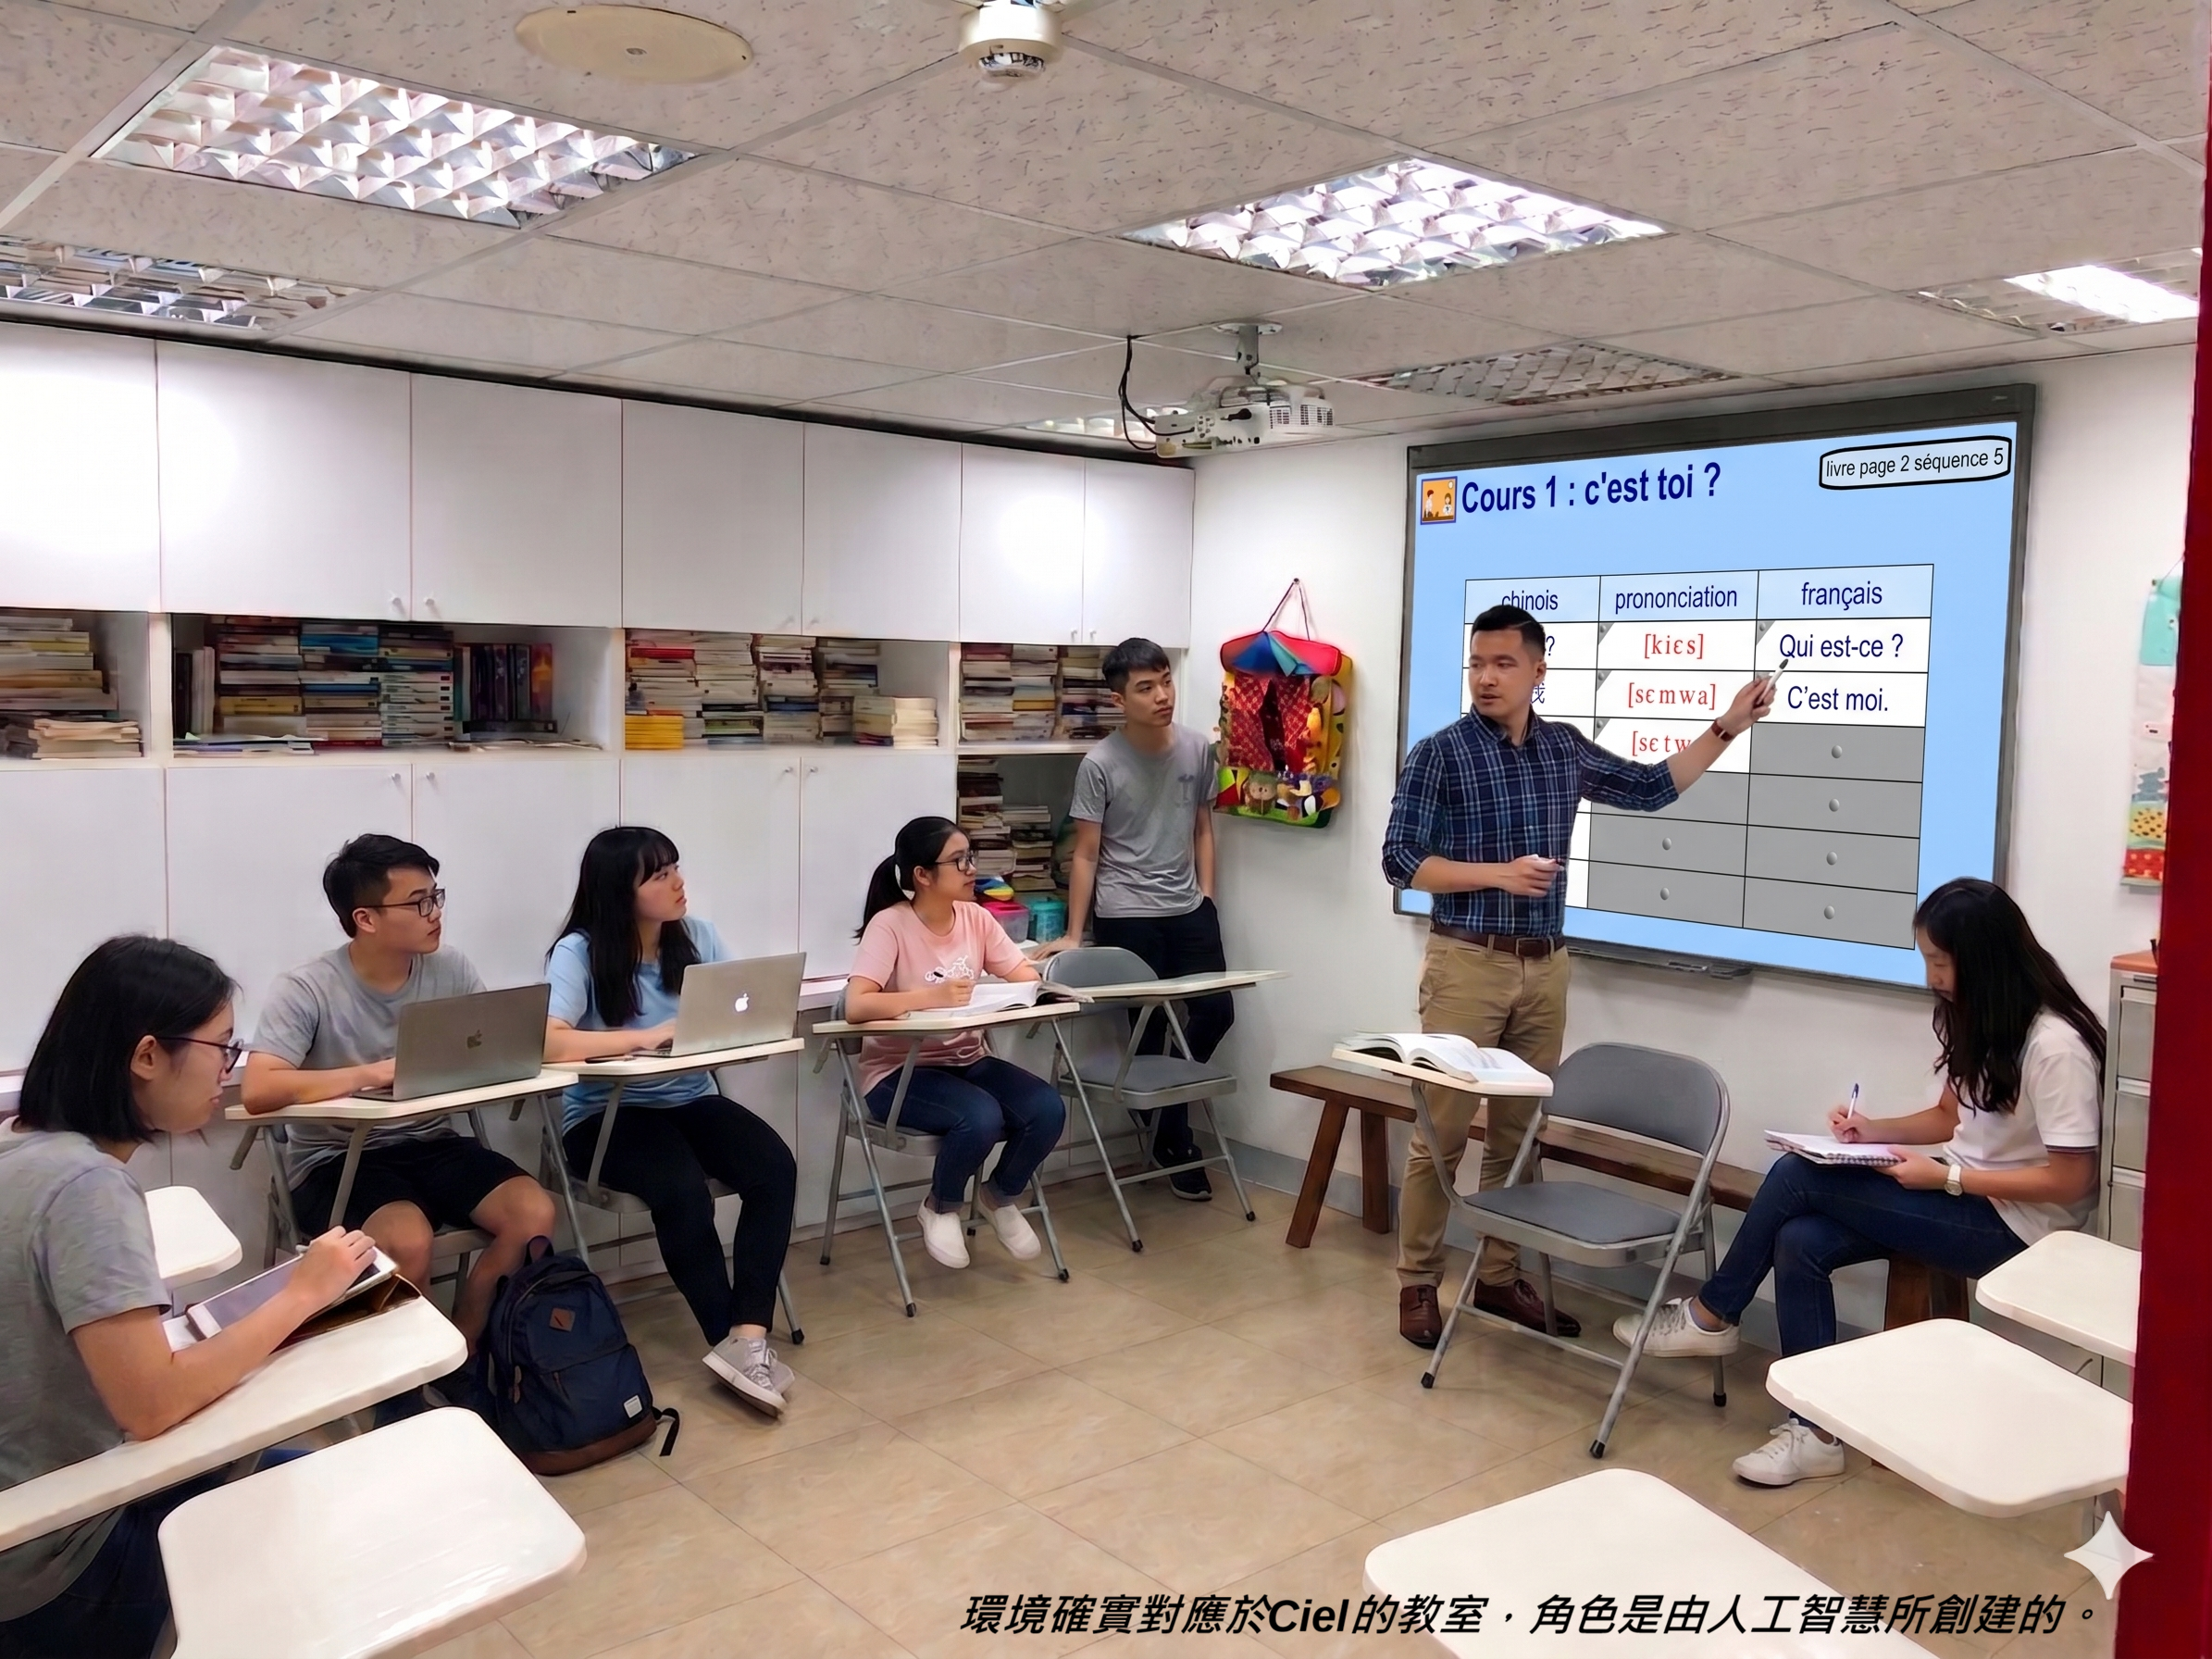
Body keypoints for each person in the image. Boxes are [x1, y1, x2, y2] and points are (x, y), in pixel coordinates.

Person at [1382, 603, 1776, 1348]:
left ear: (1538, 671)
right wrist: (1499, 874)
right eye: (1477, 663)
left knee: (1518, 1136)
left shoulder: (1562, 747)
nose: (1487, 677)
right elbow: (1400, 860)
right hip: (1467, 963)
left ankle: (1498, 1277)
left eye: (1504, 663)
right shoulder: (1441, 753)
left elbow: (1650, 787)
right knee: (1441, 1132)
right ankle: (1418, 1281)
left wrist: (1727, 727)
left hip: (1545, 967)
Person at [1623, 878, 2103, 1487]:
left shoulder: (2056, 1047)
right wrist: (1872, 1131)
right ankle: (1815, 1434)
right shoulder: (1984, 1018)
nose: (1932, 976)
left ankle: (1712, 1313)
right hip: (1963, 1196)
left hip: (2019, 1230)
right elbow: (1948, 1119)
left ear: (1984, 958)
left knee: (1795, 1174)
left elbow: (2072, 1180)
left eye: (1940, 961)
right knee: (1799, 1239)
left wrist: (1950, 1178)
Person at [0, 937, 376, 1659]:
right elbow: (151, 1405)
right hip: (62, 1561)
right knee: (325, 1508)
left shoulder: (23, 1145)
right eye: (222, 1048)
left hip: (32, 1520)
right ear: (147, 1055)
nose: (228, 1071)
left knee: (292, 1469)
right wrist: (303, 1293)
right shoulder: (85, 1187)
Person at [242, 834, 556, 1350]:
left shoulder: (450, 968)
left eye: (436, 897)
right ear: (365, 918)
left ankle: (463, 1348)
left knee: (534, 1213)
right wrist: (372, 1073)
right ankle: (412, 1376)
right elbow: (259, 1087)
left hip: (432, 1143)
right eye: (418, 903)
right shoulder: (308, 988)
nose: (435, 913)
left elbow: (490, 1045)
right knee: (408, 1240)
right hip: (337, 1159)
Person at [545, 827, 800, 1416]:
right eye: (659, 875)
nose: (678, 883)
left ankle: (749, 1335)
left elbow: (745, 1007)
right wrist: (644, 1038)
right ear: (620, 891)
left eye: (675, 868)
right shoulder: (579, 951)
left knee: (775, 1169)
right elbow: (550, 1042)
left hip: (689, 1099)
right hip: (606, 1116)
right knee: (682, 1189)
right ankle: (725, 1338)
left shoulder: (699, 936)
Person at [1049, 636, 1229, 1200]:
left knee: (1217, 1012)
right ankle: (1176, 1142)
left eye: (1166, 682)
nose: (1162, 696)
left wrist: (1207, 896)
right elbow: (1086, 853)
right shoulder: (1100, 764)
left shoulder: (1197, 749)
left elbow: (1202, 827)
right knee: (1149, 1030)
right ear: (1119, 700)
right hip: (1127, 913)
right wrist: (1074, 934)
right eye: (1146, 688)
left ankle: (1165, 1119)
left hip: (1189, 908)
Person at [845, 816, 1065, 1270]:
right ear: (923, 875)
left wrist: (1040, 988)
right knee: (979, 1117)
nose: (972, 869)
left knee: (1047, 1108)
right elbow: (857, 1005)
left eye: (971, 857)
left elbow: (1020, 974)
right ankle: (940, 1206)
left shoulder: (976, 918)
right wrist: (930, 998)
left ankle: (999, 1195)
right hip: (897, 1074)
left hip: (967, 1061)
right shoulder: (890, 925)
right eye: (959, 860)